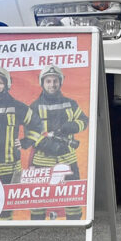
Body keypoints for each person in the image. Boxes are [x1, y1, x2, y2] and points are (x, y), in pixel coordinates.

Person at [25, 66, 90, 219]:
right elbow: (30, 133)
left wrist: (72, 126)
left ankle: (75, 224)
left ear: (60, 82)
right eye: (48, 81)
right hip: (42, 159)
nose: (52, 84)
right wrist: (50, 146)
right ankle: (37, 226)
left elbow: (84, 120)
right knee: (39, 195)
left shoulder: (71, 104)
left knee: (72, 193)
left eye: (55, 81)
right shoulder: (34, 107)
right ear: (42, 83)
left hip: (68, 158)